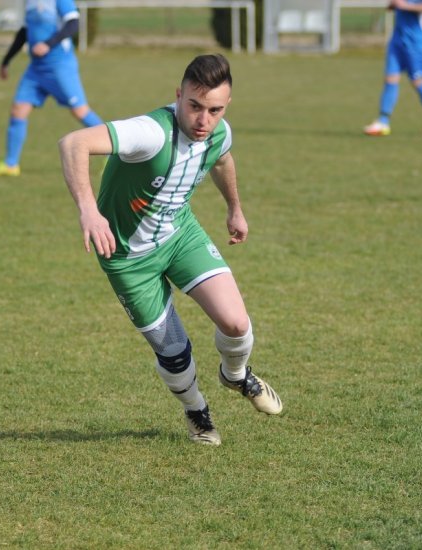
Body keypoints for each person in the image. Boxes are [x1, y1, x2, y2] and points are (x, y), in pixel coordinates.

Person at [58, 54, 282, 445]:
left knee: (236, 324)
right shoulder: (150, 132)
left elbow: (222, 159)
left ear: (225, 107)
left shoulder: (218, 132)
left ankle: (236, 376)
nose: (202, 120)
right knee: (174, 351)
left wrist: (235, 208)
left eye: (214, 110)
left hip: (181, 236)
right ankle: (196, 410)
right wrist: (88, 211)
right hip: (128, 258)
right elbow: (73, 142)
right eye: (194, 106)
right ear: (179, 95)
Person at [0, 0, 102, 177]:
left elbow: (73, 23)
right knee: (18, 110)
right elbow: (24, 32)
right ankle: (10, 164)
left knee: (80, 112)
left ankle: (114, 152)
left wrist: (49, 43)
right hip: (36, 69)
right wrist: (6, 60)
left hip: (60, 67)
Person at [364, 0, 422, 137]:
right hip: (397, 40)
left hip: (415, 42)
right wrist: (393, 5)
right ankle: (383, 122)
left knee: (417, 80)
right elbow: (393, 7)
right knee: (390, 79)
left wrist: (404, 5)